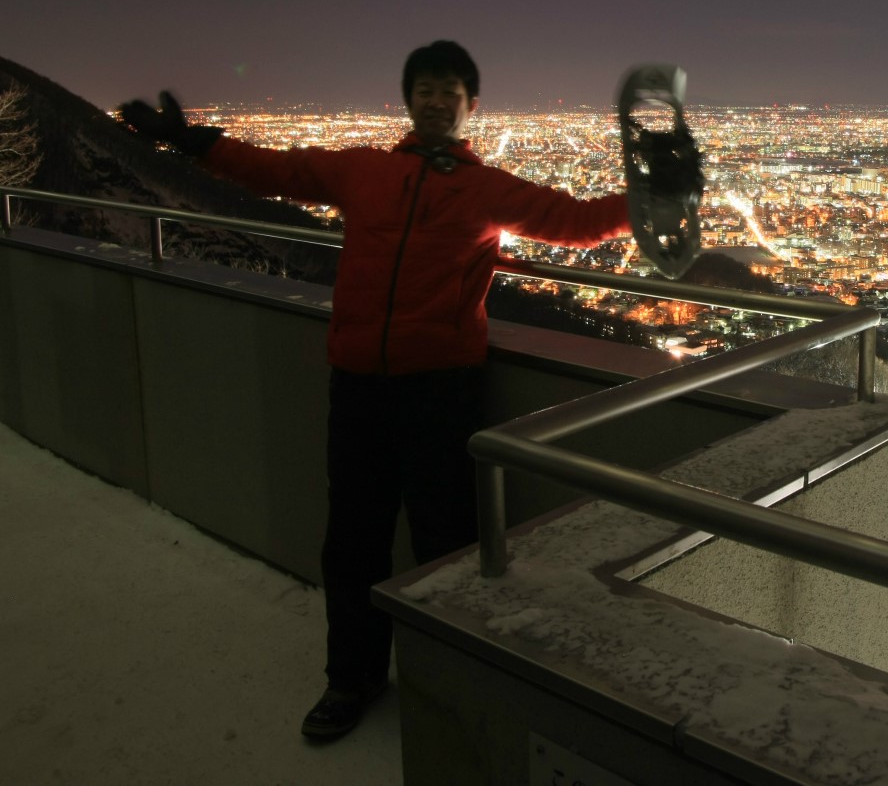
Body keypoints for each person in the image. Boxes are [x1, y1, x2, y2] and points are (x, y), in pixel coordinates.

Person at [120, 41, 688, 740]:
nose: (437, 99)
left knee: (443, 542)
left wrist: (650, 196)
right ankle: (349, 679)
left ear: (471, 106)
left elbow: (570, 223)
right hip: (357, 380)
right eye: (425, 87)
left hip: (441, 386)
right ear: (407, 98)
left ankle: (445, 683)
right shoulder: (364, 171)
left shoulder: (487, 189)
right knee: (351, 539)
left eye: (451, 90)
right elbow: (275, 171)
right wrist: (189, 140)